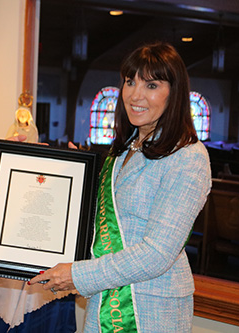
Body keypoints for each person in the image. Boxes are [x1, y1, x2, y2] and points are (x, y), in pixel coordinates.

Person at [29, 42, 211, 332]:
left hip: (148, 308)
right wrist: (42, 168)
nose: (135, 95)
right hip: (105, 302)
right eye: (129, 82)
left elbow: (157, 254)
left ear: (174, 93)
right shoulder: (124, 149)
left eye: (151, 85)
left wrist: (79, 276)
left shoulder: (188, 156)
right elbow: (103, 219)